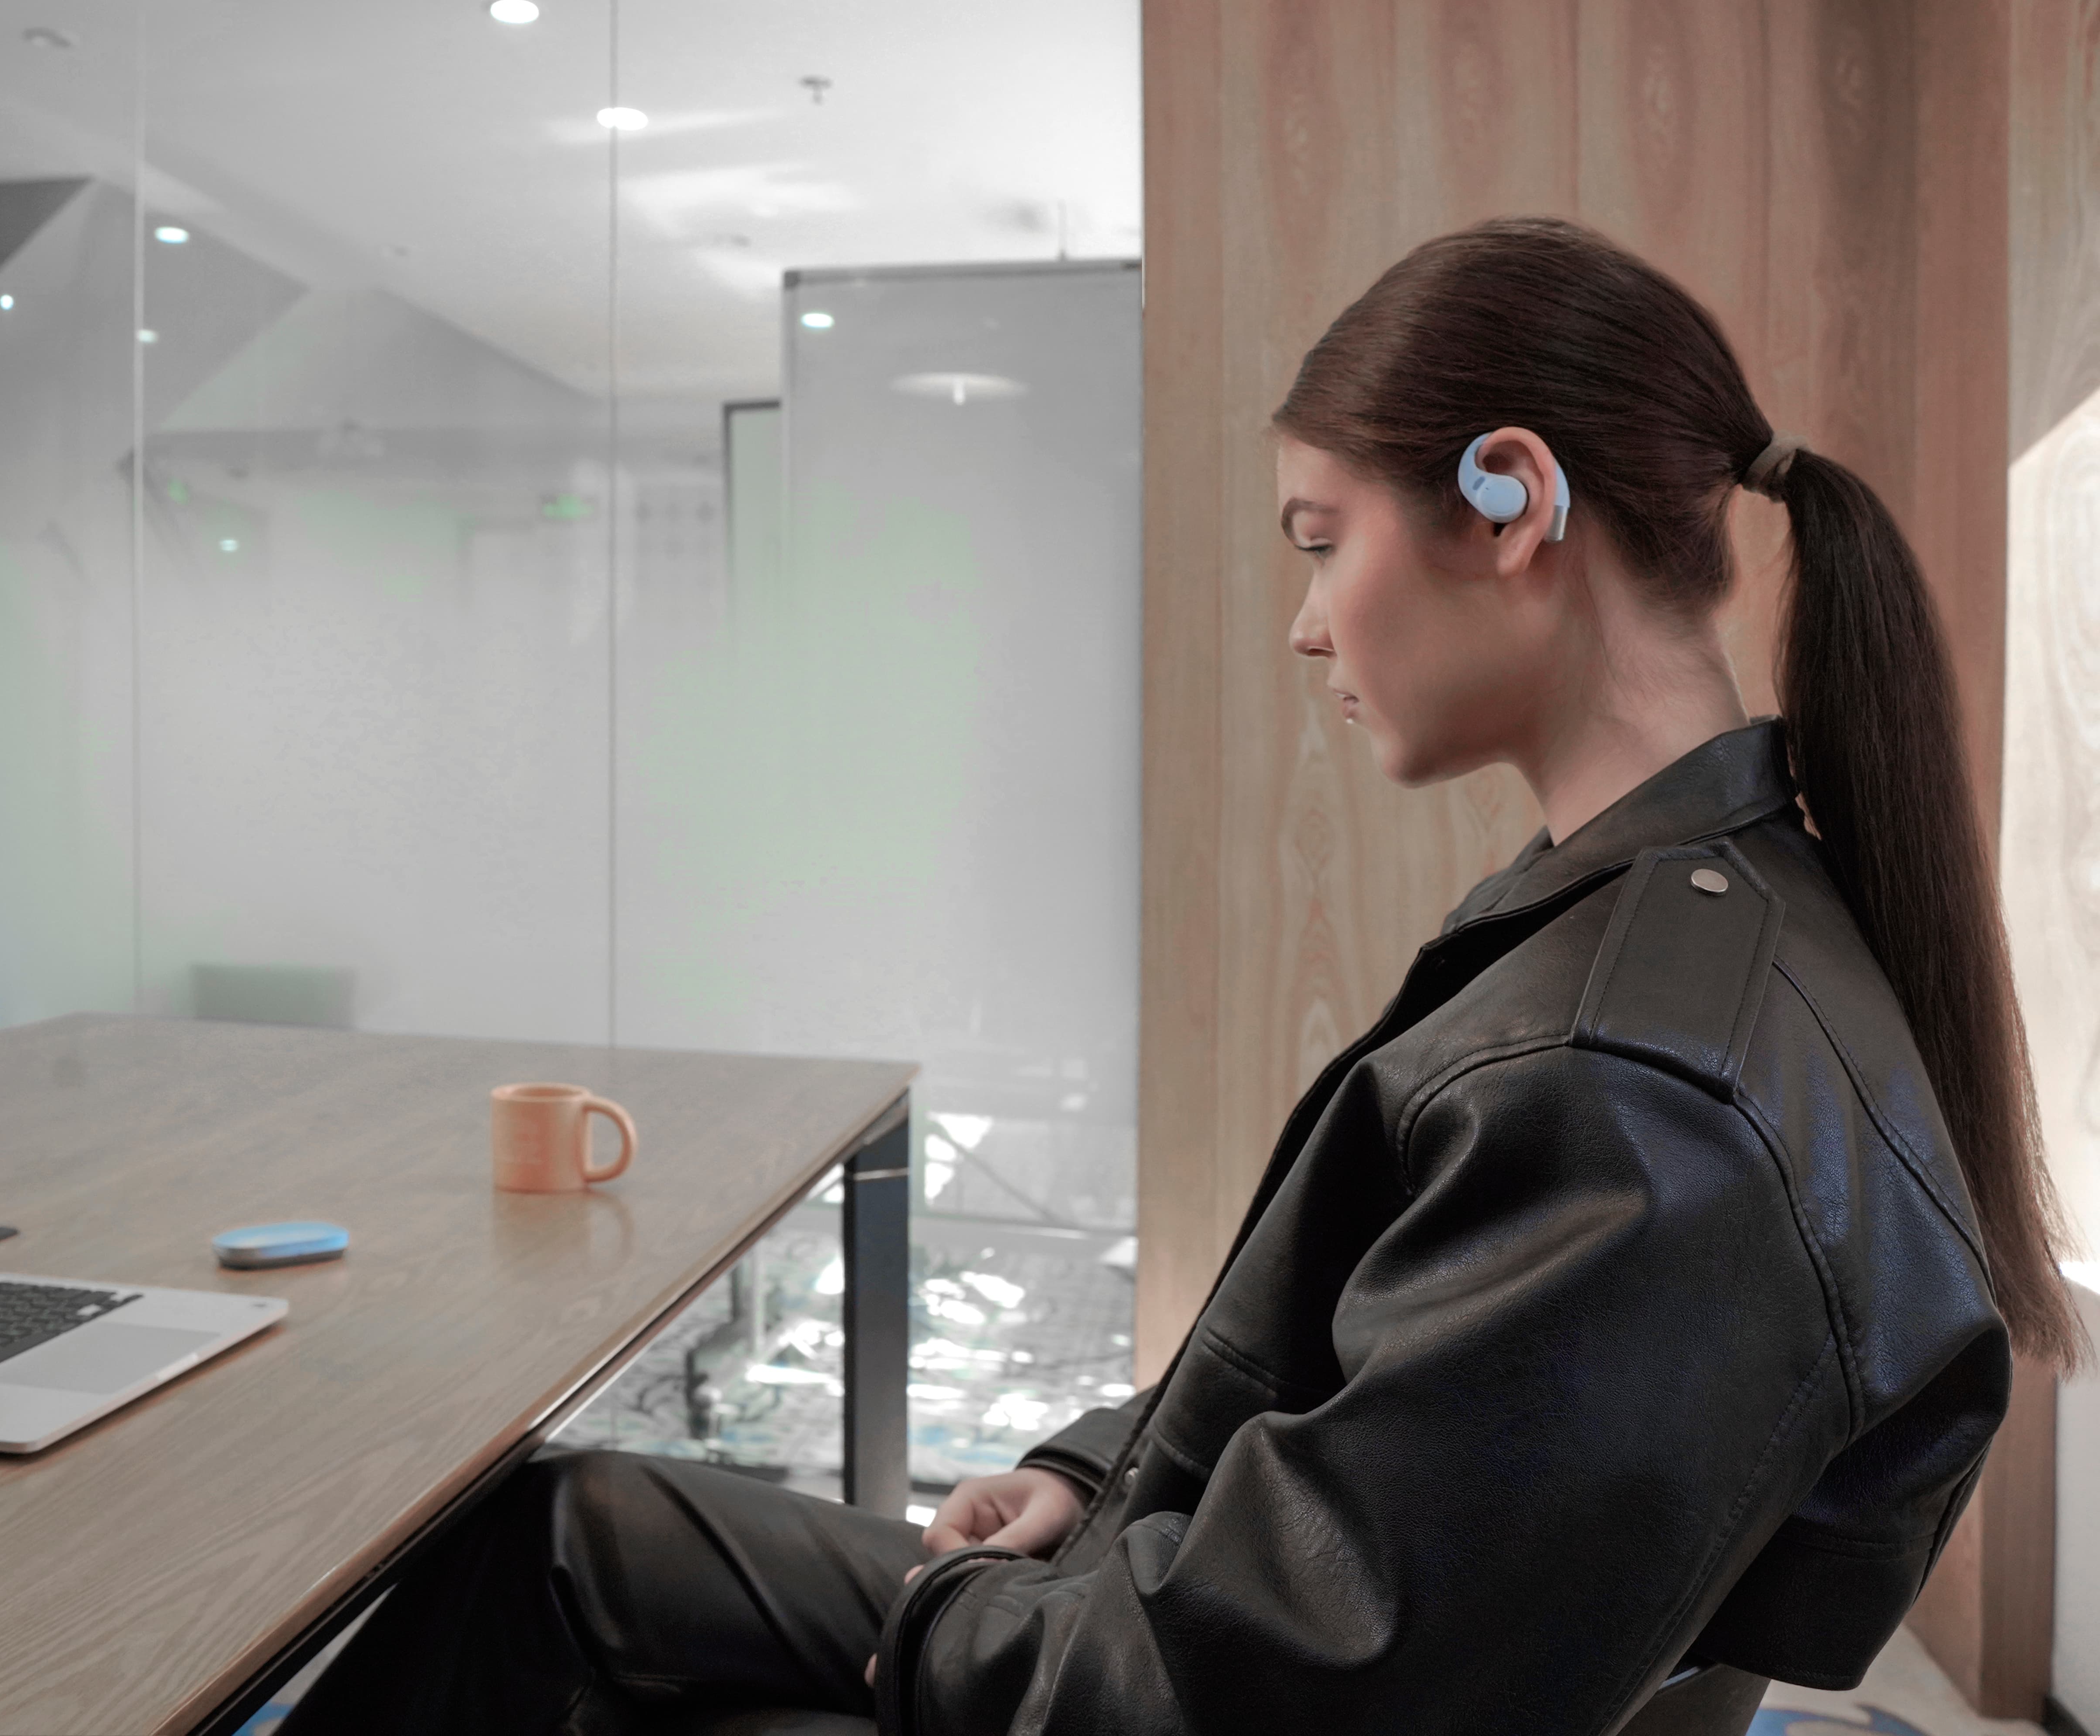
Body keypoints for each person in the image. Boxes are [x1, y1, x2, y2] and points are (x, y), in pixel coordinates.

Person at [281, 218, 2081, 1734]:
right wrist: (1085, 1470)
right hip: (1185, 1585)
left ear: (1510, 497)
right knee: (577, 1528)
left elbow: (1258, 1688)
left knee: (550, 1555)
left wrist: (960, 1612)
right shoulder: (1694, 929)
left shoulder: (1639, 1096)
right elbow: (1393, 1401)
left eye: (1321, 540)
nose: (1307, 622)